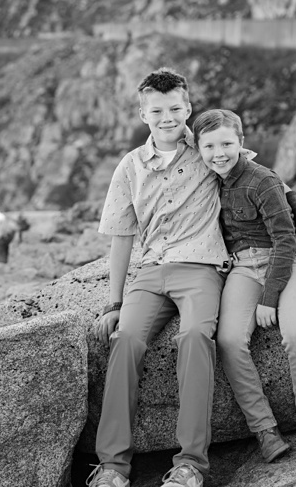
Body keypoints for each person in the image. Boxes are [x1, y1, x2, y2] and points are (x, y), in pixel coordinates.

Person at [87, 68, 228, 488]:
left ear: (188, 107)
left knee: (195, 338)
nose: (167, 117)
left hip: (201, 269)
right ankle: (112, 466)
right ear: (144, 113)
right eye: (157, 110)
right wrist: (115, 303)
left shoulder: (207, 150)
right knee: (126, 340)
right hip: (149, 273)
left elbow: (254, 173)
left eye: (175, 108)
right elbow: (121, 237)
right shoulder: (130, 166)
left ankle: (190, 465)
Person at [192, 108, 296, 463]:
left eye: (227, 143)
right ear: (198, 149)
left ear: (242, 144)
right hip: (243, 267)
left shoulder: (262, 180)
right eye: (210, 146)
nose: (219, 153)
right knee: (228, 341)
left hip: (282, 260)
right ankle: (264, 430)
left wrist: (269, 299)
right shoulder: (208, 178)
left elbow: (286, 239)